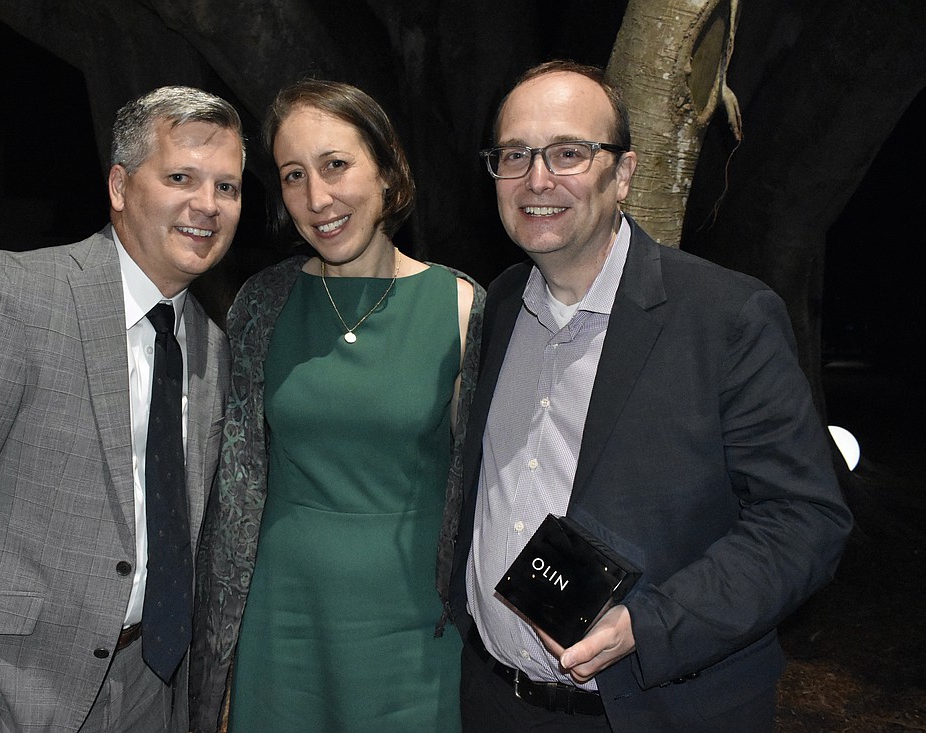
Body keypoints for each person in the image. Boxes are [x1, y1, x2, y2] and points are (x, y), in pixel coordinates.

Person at [448, 60, 854, 732]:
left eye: (569, 153)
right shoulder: (494, 309)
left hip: (656, 710)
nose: (537, 178)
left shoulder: (725, 317)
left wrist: (649, 622)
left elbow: (805, 520)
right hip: (492, 703)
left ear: (625, 173)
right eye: (515, 154)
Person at [0, 85, 244, 732]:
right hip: (7, 692)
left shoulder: (214, 346)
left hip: (157, 692)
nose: (207, 205)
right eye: (181, 176)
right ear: (120, 187)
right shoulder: (14, 299)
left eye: (227, 187)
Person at [190, 79, 484, 733]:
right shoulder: (262, 304)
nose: (316, 198)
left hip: (412, 633)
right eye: (294, 175)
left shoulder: (462, 307)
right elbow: (228, 483)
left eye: (336, 165)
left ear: (387, 168)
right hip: (280, 626)